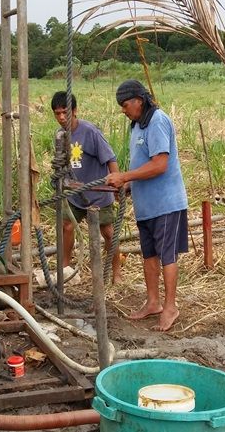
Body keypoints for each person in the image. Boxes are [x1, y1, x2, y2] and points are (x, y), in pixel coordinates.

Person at [105, 80, 188, 331]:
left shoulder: (157, 121)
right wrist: (128, 186)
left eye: (125, 104)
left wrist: (125, 176)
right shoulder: (137, 126)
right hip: (146, 206)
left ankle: (170, 306)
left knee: (167, 256)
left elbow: (160, 164)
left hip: (166, 203)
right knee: (149, 255)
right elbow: (144, 165)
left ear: (139, 100)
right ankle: (153, 302)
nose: (123, 110)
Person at [51, 91, 123, 284]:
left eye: (65, 112)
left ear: (75, 111)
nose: (61, 117)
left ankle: (116, 273)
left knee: (108, 232)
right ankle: (65, 268)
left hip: (98, 195)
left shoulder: (90, 132)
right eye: (57, 114)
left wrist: (116, 183)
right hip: (75, 194)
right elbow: (61, 164)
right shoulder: (60, 136)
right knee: (66, 226)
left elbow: (110, 158)